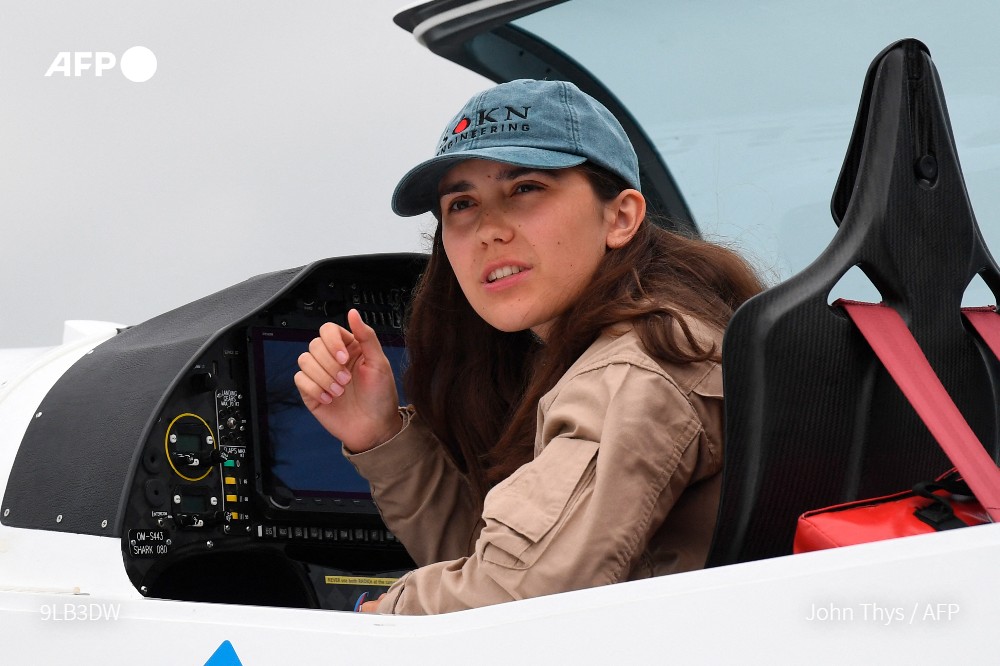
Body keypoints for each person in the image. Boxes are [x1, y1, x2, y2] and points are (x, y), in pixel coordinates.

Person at [294, 79, 763, 614]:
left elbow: (517, 597)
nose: (489, 230)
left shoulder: (636, 370)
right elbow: (505, 566)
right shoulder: (642, 344)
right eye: (462, 203)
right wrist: (381, 436)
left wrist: (378, 616)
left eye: (525, 188)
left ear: (620, 217)